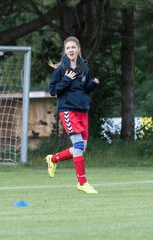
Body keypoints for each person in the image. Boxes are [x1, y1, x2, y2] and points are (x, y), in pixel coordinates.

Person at [46, 36, 100, 194]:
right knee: (77, 146)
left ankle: (53, 159)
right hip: (68, 111)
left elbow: (85, 89)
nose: (71, 50)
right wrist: (66, 79)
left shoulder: (85, 69)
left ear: (78, 50)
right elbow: (53, 90)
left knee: (81, 149)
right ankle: (82, 183)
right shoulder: (61, 70)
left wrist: (93, 84)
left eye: (73, 47)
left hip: (82, 111)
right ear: (65, 51)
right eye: (68, 48)